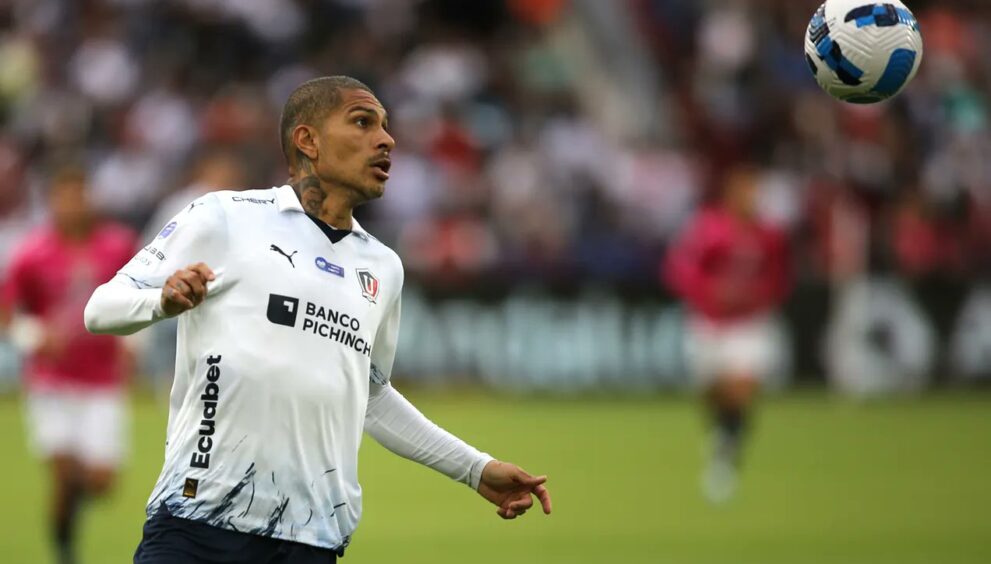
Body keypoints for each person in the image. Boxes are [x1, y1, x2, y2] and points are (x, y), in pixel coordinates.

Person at [84, 76, 552, 564]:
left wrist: (475, 469)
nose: (387, 140)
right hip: (198, 527)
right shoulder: (225, 216)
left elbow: (371, 394)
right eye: (362, 122)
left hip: (312, 542)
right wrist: (162, 301)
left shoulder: (383, 267)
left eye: (385, 126)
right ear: (307, 140)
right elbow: (100, 309)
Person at [0, 166, 137, 564]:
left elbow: (140, 292)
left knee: (101, 481)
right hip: (51, 380)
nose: (73, 205)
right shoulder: (33, 252)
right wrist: (33, 337)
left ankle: (64, 519)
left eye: (80, 196)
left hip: (102, 378)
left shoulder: (118, 245)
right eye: (65, 197)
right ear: (52, 201)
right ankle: (65, 551)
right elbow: (7, 309)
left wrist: (133, 341)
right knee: (63, 468)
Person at [665, 165, 790, 503]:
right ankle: (722, 432)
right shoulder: (709, 228)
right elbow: (681, 269)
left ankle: (726, 454)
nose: (751, 198)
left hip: (748, 324)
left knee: (742, 388)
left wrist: (757, 296)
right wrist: (710, 292)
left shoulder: (769, 235)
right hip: (710, 321)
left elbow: (779, 278)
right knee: (712, 390)